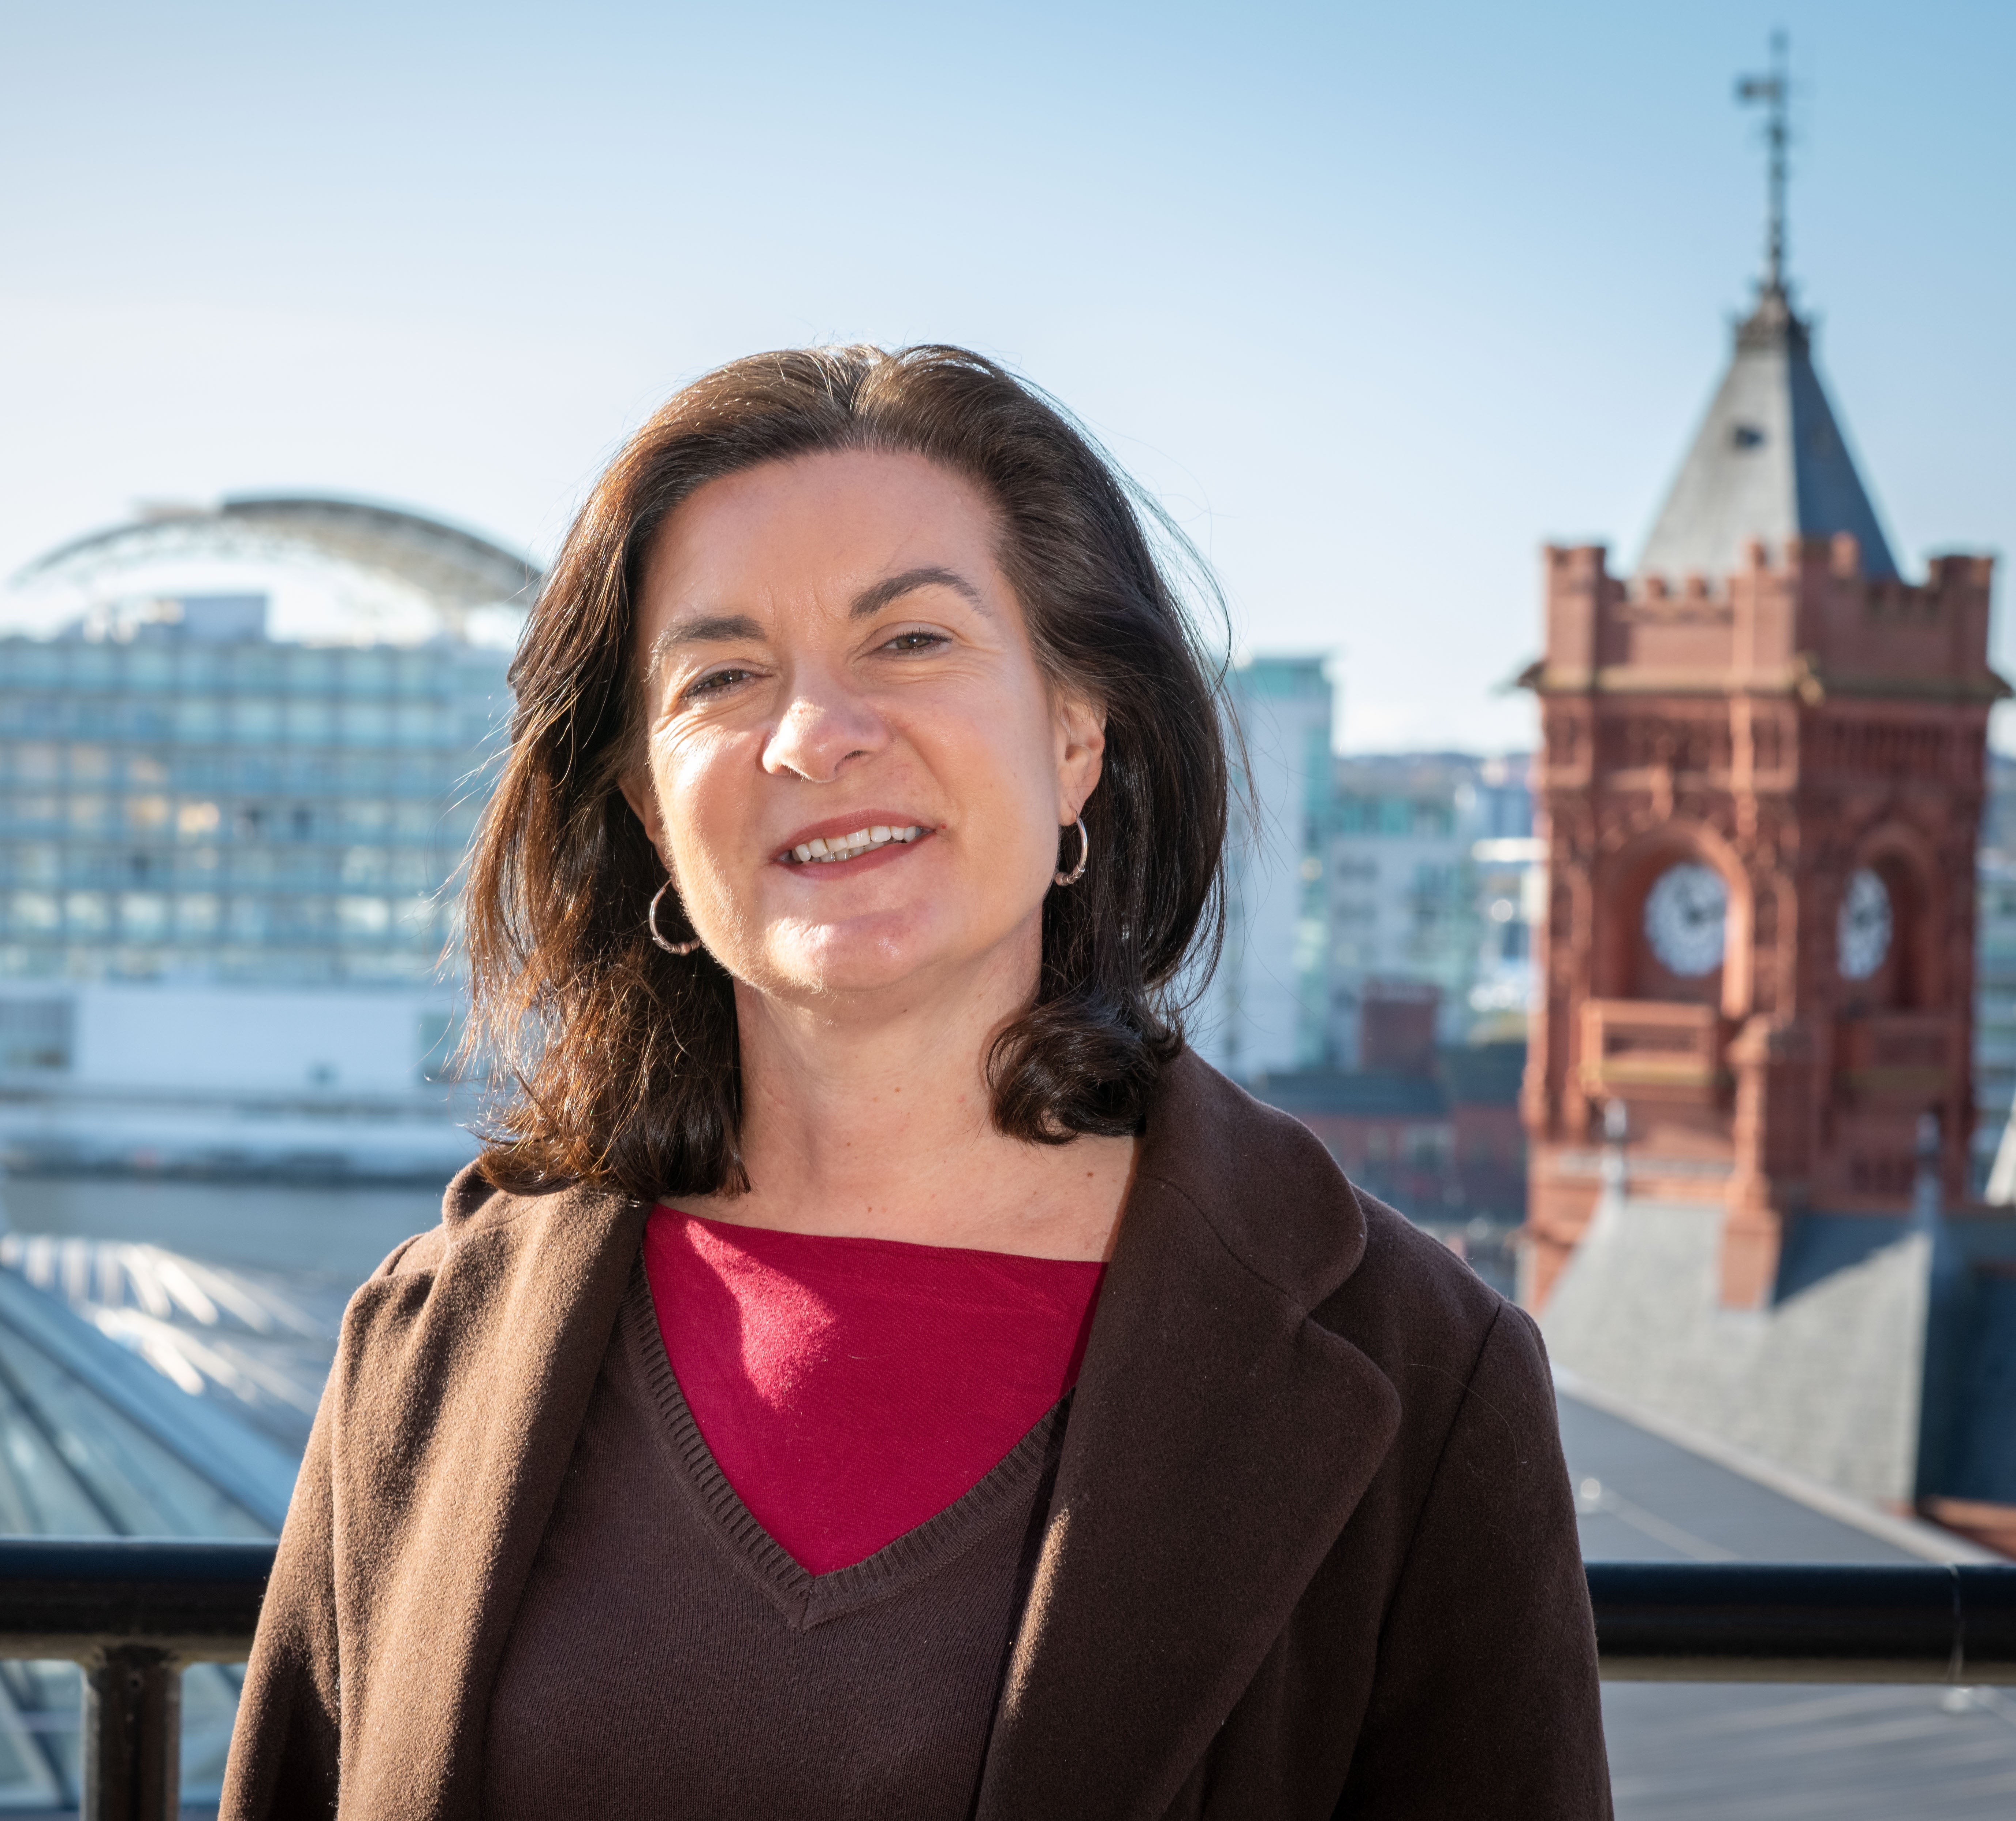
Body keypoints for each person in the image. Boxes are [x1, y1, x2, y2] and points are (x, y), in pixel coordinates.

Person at [223, 345, 1607, 1819]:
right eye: (722, 675)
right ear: (645, 802)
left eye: (911, 641)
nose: (816, 733)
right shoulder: (426, 1345)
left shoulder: (1416, 1373)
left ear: (1076, 731)